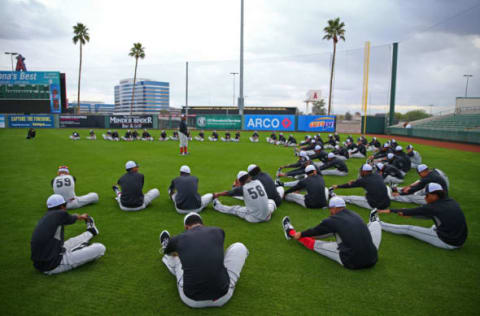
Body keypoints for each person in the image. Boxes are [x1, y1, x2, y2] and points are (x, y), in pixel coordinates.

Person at [159, 212, 248, 308]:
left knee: (174, 258)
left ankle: (167, 249)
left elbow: (168, 252)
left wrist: (175, 249)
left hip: (191, 300)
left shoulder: (178, 239)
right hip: (223, 296)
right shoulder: (218, 231)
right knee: (239, 247)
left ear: (186, 227)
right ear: (202, 224)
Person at [281, 196, 380, 269]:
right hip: (373, 258)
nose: (330, 211)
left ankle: (290, 232)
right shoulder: (355, 214)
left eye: (330, 209)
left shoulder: (332, 220)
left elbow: (315, 231)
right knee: (373, 226)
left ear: (335, 208)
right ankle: (374, 220)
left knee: (317, 245)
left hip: (352, 261)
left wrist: (301, 234)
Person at [30, 194, 105, 275]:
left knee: (71, 241)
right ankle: (80, 247)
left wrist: (77, 216)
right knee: (100, 248)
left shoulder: (46, 216)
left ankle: (91, 232)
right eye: (65, 205)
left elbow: (68, 218)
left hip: (47, 256)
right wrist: (79, 216)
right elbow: (70, 218)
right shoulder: (60, 214)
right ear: (62, 206)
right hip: (54, 264)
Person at [378, 183, 467, 250]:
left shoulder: (434, 207)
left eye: (427, 195)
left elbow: (412, 211)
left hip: (448, 241)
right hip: (459, 238)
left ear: (434, 195)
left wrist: (391, 210)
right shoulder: (450, 201)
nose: (425, 198)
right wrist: (410, 215)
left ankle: (379, 224)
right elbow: (430, 215)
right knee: (434, 225)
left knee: (408, 229)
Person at [212, 171, 276, 223]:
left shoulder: (243, 188)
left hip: (254, 218)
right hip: (268, 216)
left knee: (235, 209)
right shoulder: (258, 182)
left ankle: (217, 206)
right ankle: (267, 213)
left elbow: (228, 193)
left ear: (240, 181)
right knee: (271, 201)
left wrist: (218, 194)